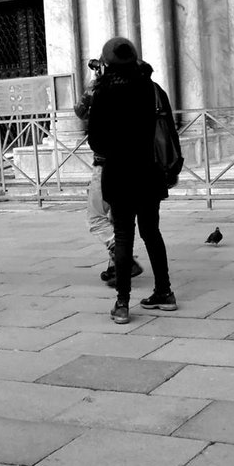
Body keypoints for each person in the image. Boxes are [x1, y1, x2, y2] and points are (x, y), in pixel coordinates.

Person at [84, 37, 179, 325]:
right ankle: (164, 292)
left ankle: (122, 303)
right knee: (152, 232)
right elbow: (169, 130)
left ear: (107, 62)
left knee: (124, 236)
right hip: (149, 174)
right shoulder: (151, 89)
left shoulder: (103, 93)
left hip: (118, 174)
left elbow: (96, 140)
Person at [74, 59, 141, 288]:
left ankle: (125, 259)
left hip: (105, 165)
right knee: (117, 217)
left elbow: (80, 112)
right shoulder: (139, 87)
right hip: (134, 163)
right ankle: (116, 266)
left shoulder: (101, 91)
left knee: (96, 219)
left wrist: (94, 82)